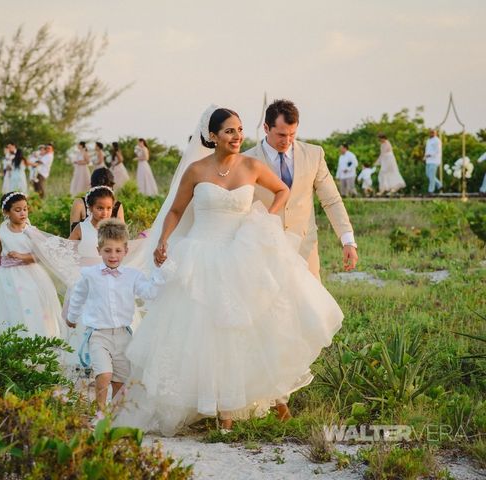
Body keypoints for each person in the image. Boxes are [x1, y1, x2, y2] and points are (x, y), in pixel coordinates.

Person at [113, 106, 343, 436]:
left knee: (250, 326)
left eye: (239, 130)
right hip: (201, 255)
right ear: (212, 136)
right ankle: (214, 406)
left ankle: (257, 404)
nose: (237, 136)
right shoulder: (195, 170)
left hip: (241, 252)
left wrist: (267, 218)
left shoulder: (252, 166)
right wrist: (163, 240)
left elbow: (282, 190)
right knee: (203, 332)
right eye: (229, 131)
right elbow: (176, 210)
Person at [244, 99, 356, 420]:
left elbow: (331, 199)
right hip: (264, 253)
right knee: (270, 320)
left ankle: (288, 382)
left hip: (305, 253)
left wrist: (347, 239)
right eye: (281, 134)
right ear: (266, 128)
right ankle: (278, 397)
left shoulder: (314, 154)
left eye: (292, 134)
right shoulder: (248, 160)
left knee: (307, 320)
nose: (287, 141)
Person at [66, 218, 160, 415]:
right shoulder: (89, 274)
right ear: (99, 249)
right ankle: (99, 411)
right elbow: (78, 296)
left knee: (120, 379)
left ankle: (115, 415)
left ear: (126, 251)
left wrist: (160, 273)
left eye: (118, 251)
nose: (113, 255)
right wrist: (71, 317)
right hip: (98, 335)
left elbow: (149, 292)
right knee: (104, 374)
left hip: (124, 335)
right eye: (107, 250)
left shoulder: (133, 276)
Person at [0, 192, 64, 339]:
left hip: (30, 275)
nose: (23, 213)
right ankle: (15, 338)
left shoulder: (31, 231)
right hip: (8, 278)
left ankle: (36, 335)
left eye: (25, 209)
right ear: (6, 212)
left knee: (32, 304)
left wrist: (22, 256)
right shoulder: (1, 233)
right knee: (12, 306)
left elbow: (39, 256)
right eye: (17, 210)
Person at [69, 185, 116, 261]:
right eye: (100, 208)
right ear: (90, 208)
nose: (105, 213)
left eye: (108, 208)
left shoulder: (115, 230)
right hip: (84, 269)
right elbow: (67, 248)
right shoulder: (81, 228)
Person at [424, 129, 443, 195]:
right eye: (430, 132)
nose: (431, 134)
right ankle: (439, 185)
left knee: (432, 176)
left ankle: (431, 191)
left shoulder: (437, 141)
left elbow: (437, 151)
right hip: (428, 161)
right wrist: (425, 156)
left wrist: (430, 155)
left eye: (433, 132)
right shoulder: (428, 140)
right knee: (428, 175)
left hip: (434, 160)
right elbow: (427, 149)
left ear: (435, 133)